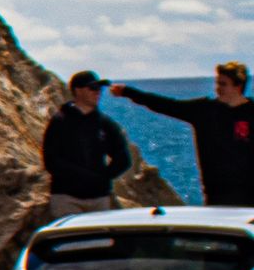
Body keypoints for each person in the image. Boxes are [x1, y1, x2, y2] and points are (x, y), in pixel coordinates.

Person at [113, 62, 254, 208]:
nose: (218, 89)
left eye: (223, 84)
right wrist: (128, 92)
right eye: (217, 83)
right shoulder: (204, 110)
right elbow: (167, 105)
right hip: (216, 196)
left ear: (238, 86)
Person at [41, 70, 133, 217]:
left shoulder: (105, 124)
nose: (98, 92)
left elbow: (123, 159)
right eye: (92, 88)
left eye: (100, 88)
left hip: (99, 199)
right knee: (70, 239)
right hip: (66, 197)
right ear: (77, 91)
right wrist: (80, 176)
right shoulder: (60, 122)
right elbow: (51, 160)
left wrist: (102, 178)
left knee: (99, 240)